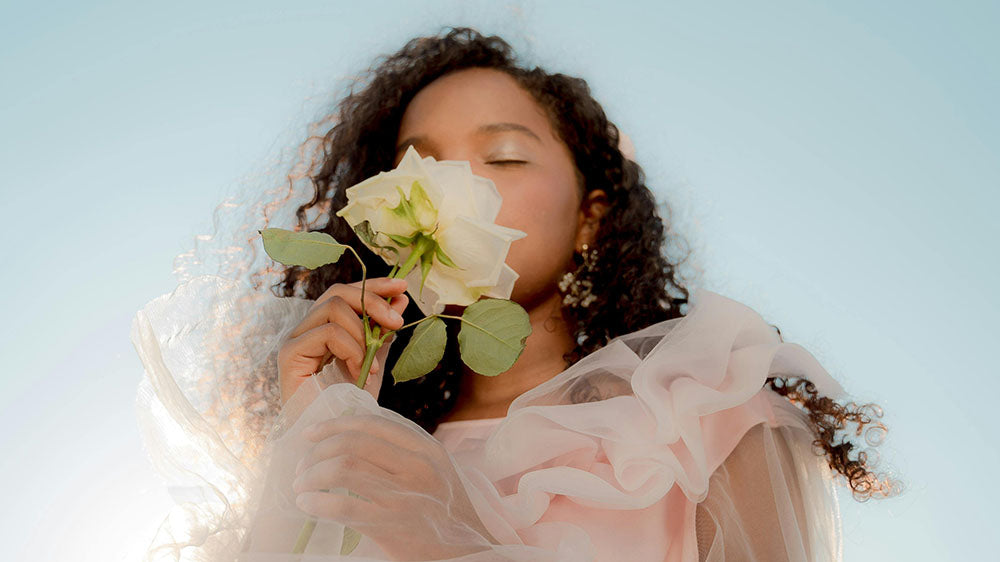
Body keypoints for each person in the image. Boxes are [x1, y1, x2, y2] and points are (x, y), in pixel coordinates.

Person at [132, 27, 897, 562]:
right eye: (419, 165)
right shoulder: (368, 453)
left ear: (592, 219)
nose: (453, 186)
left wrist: (457, 541)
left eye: (502, 156)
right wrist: (320, 428)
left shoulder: (708, 415)